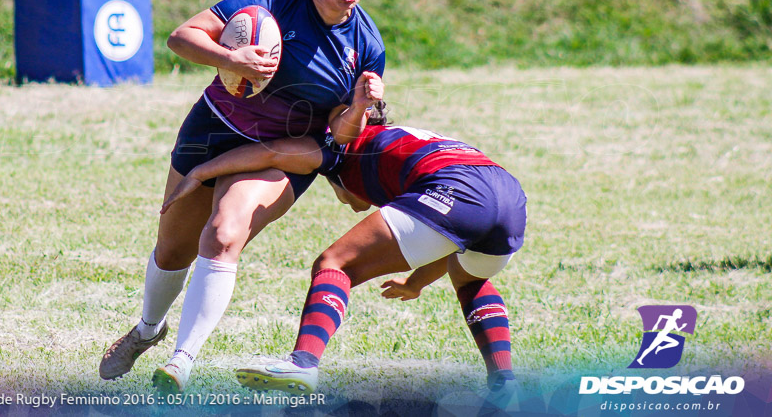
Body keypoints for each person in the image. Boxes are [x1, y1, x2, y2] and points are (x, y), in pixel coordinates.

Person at [98, 0, 385, 393]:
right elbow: (181, 37)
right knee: (172, 249)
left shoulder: (366, 44)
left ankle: (181, 361)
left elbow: (341, 131)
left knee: (223, 231)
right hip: (215, 127)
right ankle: (148, 329)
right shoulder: (273, 0)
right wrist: (230, 58)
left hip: (280, 151)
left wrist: (358, 107)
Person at [163, 73, 526, 398]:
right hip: (508, 196)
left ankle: (303, 362)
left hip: (455, 189)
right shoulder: (404, 138)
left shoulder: (338, 148)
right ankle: (504, 380)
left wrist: (202, 170)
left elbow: (269, 152)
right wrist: (416, 283)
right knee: (470, 277)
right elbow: (452, 235)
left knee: (334, 263)